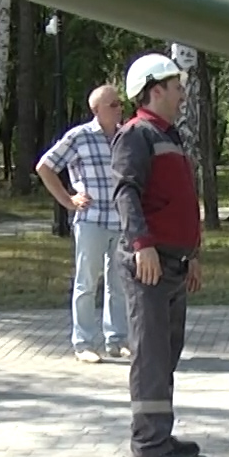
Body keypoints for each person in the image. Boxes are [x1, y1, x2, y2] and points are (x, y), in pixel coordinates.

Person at [112, 53, 205, 457]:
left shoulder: (171, 135)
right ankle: (149, 449)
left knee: (165, 354)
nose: (182, 92)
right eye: (175, 85)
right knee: (150, 358)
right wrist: (142, 244)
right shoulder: (136, 135)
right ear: (154, 90)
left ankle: (160, 436)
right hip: (149, 265)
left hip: (173, 264)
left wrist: (194, 254)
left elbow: (184, 200)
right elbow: (126, 193)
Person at [36, 84, 132, 364]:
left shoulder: (126, 136)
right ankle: (84, 343)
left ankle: (117, 340)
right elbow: (45, 166)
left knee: (120, 283)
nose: (119, 109)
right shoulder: (79, 136)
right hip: (91, 220)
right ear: (96, 110)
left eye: (119, 104)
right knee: (87, 283)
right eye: (112, 105)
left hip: (121, 220)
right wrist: (68, 200)